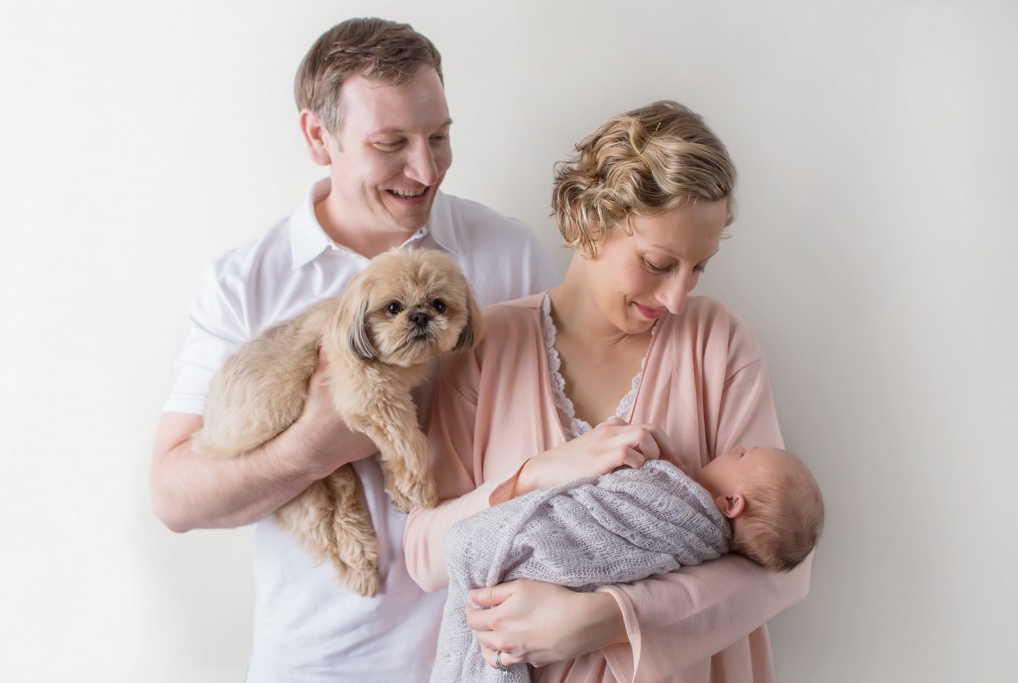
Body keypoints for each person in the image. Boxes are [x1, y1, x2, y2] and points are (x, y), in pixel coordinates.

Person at [150, 17, 559, 683]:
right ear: (319, 136)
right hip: (317, 665)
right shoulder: (246, 281)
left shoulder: (508, 255)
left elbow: (566, 435)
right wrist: (311, 446)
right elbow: (173, 494)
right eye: (391, 143)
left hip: (490, 655)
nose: (424, 169)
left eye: (439, 137)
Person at [404, 100, 816, 682]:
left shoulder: (716, 341)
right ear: (587, 218)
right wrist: (536, 474)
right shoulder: (486, 346)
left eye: (699, 268)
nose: (676, 298)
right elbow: (424, 552)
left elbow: (785, 565)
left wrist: (606, 617)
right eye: (657, 262)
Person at [432, 445, 824, 682]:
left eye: (741, 455)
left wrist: (600, 616)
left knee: (471, 548)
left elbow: (615, 519)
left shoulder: (678, 513)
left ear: (732, 503)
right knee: (468, 550)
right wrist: (537, 471)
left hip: (540, 559)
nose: (733, 445)